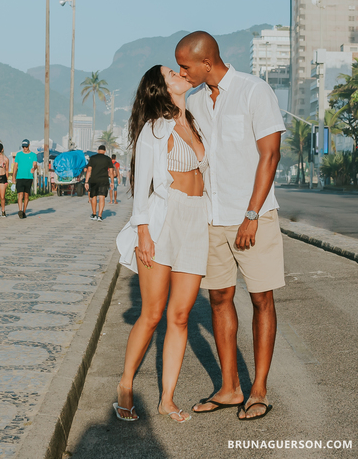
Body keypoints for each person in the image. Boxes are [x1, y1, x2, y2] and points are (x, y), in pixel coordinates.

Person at [177, 31, 284, 422]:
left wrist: (251, 215)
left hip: (252, 217)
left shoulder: (255, 92)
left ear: (207, 63)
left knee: (260, 299)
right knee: (218, 299)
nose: (182, 72)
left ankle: (258, 390)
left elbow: (269, 155)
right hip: (212, 217)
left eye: (186, 66)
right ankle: (229, 387)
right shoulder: (194, 101)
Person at [114, 65, 210, 423]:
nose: (181, 73)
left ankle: (167, 399)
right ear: (160, 88)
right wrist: (143, 233)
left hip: (196, 221)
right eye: (172, 73)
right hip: (163, 222)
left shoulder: (195, 120)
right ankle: (126, 384)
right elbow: (142, 187)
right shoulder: (155, 129)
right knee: (153, 314)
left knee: (181, 315)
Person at [10, 139, 38, 219]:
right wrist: (13, 176)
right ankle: (20, 210)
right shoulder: (18, 155)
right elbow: (15, 166)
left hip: (29, 177)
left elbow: (35, 164)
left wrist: (34, 168)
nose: (24, 148)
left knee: (26, 195)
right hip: (19, 177)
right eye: (23, 146)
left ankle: (24, 211)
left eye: (26, 146)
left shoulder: (33, 155)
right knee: (20, 194)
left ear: (29, 145)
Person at [85, 144, 114, 221]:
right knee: (102, 197)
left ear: (98, 150)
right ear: (105, 151)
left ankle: (94, 214)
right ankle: (100, 216)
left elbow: (89, 170)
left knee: (93, 197)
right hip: (104, 181)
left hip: (94, 180)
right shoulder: (108, 159)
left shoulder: (93, 158)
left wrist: (86, 181)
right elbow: (111, 172)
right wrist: (112, 182)